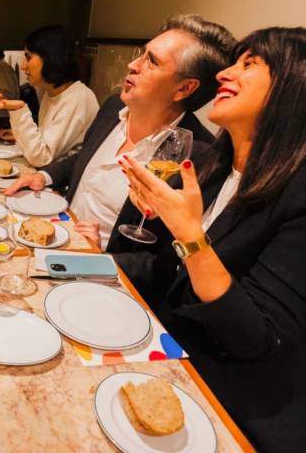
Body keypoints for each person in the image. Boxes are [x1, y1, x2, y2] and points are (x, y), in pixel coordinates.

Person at [122, 27, 306, 452]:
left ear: (294, 87)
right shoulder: (212, 165)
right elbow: (170, 274)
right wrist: (78, 264)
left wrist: (191, 236)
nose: (224, 73)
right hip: (169, 359)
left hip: (229, 406)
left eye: (249, 64)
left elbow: (256, 340)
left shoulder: (297, 195)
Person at [5, 15, 234, 258]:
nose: (133, 65)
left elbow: (161, 265)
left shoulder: (200, 157)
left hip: (104, 275)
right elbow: (86, 156)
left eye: (152, 62)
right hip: (58, 236)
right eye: (142, 54)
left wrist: (101, 256)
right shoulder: (114, 107)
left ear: (184, 88)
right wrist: (44, 176)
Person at [0, 25, 99, 167]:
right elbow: (45, 140)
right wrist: (19, 135)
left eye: (28, 57)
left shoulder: (78, 98)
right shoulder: (51, 93)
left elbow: (41, 157)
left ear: (51, 57)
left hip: (63, 184)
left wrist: (18, 110)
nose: (23, 66)